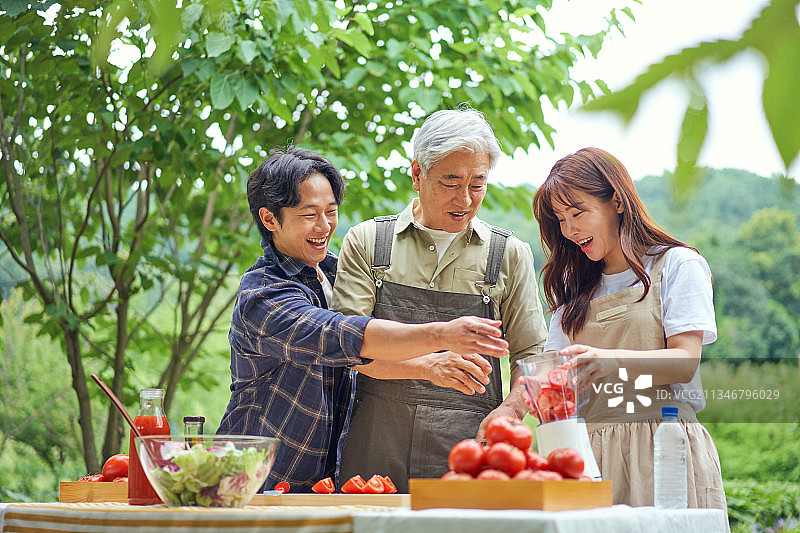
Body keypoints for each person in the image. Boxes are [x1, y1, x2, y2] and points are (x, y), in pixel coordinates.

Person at [217, 147, 511, 493]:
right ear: (270, 219)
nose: (324, 226)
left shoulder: (332, 271)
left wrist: (425, 368)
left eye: (331, 211)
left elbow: (360, 358)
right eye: (309, 214)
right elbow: (342, 335)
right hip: (252, 481)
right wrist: (442, 334)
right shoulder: (263, 296)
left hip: (320, 484)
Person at [331, 108, 548, 492]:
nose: (465, 199)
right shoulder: (367, 242)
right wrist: (429, 366)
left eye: (477, 184)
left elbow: (532, 357)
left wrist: (512, 409)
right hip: (374, 449)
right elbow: (347, 347)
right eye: (450, 182)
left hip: (470, 454)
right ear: (417, 174)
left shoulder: (509, 254)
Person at [531, 147, 726, 509]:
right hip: (583, 456)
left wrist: (606, 362)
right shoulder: (573, 286)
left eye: (578, 213)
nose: (570, 230)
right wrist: (525, 397)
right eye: (560, 219)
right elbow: (551, 370)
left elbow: (685, 360)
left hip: (662, 447)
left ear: (617, 202)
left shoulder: (678, 265)